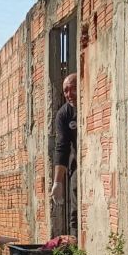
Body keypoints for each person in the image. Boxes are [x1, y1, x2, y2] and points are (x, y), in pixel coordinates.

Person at [50, 73, 78, 236]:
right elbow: (61, 147)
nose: (69, 94)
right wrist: (57, 182)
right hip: (77, 166)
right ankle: (76, 248)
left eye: (73, 88)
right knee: (75, 213)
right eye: (65, 91)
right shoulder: (64, 114)